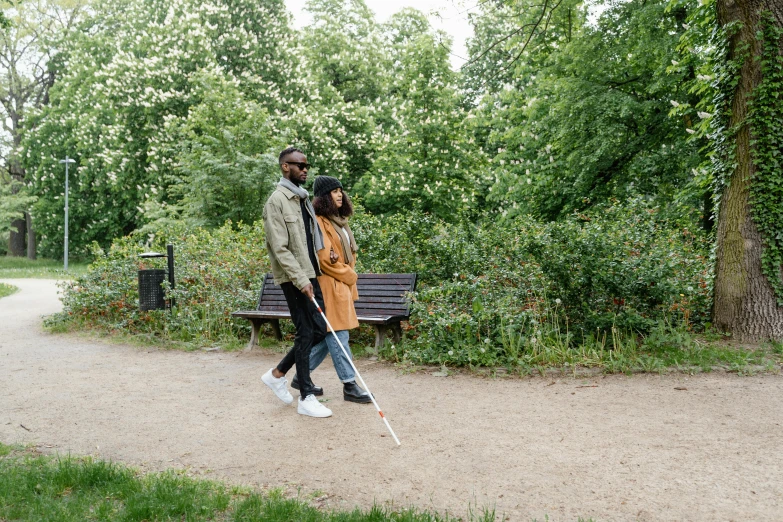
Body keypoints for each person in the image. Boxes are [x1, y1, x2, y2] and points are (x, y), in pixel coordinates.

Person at [260, 147, 332, 418]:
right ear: (284, 168)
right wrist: (301, 279)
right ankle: (306, 396)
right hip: (294, 278)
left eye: (306, 165)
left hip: (310, 275)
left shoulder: (301, 199)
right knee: (306, 331)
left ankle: (278, 374)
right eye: (299, 165)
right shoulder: (276, 202)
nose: (304, 169)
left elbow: (306, 241)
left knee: (318, 329)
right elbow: (280, 248)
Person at [290, 175, 372, 404]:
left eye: (340, 190)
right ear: (323, 197)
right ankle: (350, 385)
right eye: (333, 191)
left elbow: (342, 255)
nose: (339, 194)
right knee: (339, 335)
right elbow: (325, 259)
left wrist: (344, 269)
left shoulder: (339, 221)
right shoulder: (319, 222)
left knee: (330, 337)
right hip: (330, 286)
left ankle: (300, 376)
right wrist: (350, 275)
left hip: (340, 286)